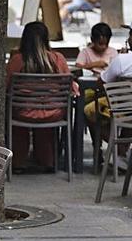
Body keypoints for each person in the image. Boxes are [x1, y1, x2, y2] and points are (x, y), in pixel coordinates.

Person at [6, 22, 79, 172]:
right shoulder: (58, 59)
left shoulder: (17, 60)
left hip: (22, 113)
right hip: (53, 114)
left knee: (16, 114)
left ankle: (18, 162)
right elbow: (71, 87)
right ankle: (47, 161)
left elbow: (5, 87)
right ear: (46, 39)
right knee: (46, 114)